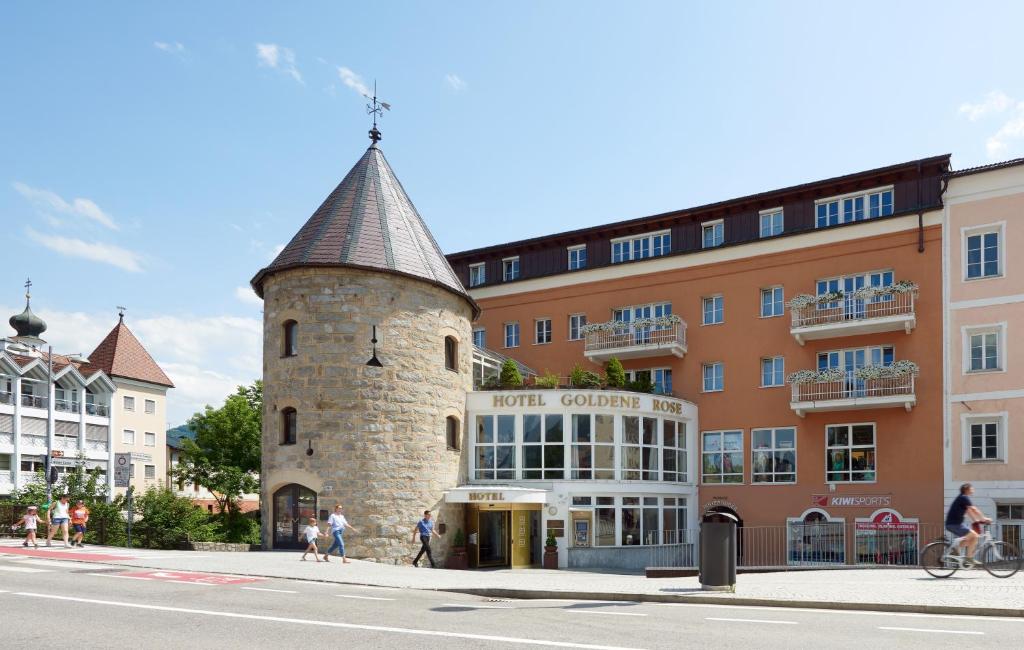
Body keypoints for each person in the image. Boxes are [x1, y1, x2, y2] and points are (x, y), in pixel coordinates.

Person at [945, 482, 990, 565]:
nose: (973, 490)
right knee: (975, 535)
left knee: (973, 538)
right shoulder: (964, 497)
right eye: (971, 488)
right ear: (966, 490)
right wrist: (984, 518)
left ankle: (961, 553)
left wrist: (976, 521)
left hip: (955, 524)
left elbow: (969, 512)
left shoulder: (962, 498)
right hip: (954, 524)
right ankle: (964, 555)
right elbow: (974, 509)